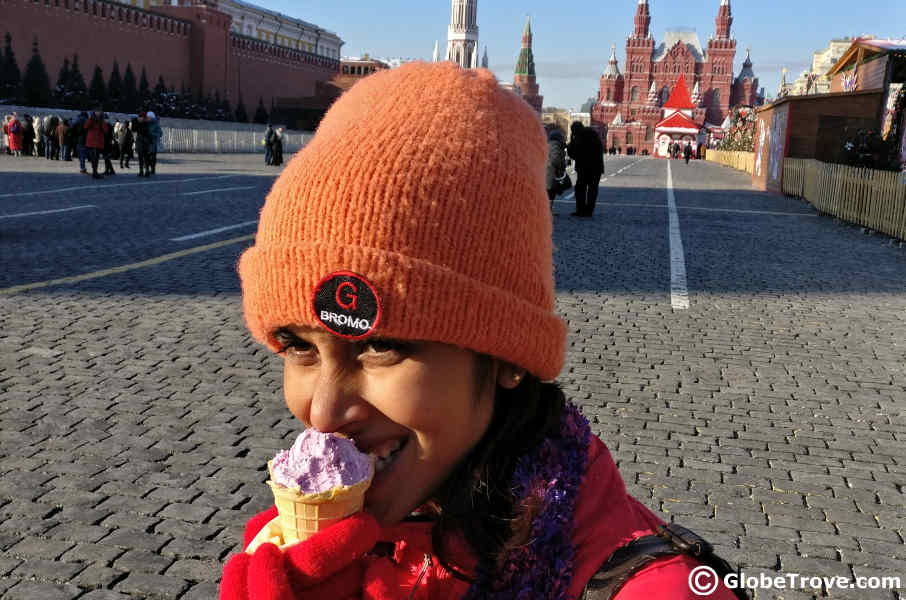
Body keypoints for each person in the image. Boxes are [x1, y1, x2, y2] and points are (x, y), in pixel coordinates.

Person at [220, 62, 743, 600]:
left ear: (507, 357)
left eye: (381, 345)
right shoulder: (315, 556)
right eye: (298, 346)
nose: (323, 414)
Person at [567, 121, 604, 218]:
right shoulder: (594, 135)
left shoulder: (579, 138)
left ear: (575, 130)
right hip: (597, 168)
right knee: (593, 189)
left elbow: (572, 154)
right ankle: (589, 211)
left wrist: (571, 140)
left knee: (580, 189)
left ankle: (580, 210)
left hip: (584, 168)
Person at [545, 127, 567, 209]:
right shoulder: (555, 145)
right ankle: (548, 210)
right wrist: (561, 166)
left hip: (548, 172)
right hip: (551, 173)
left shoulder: (549, 144)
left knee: (549, 193)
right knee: (550, 193)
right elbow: (555, 159)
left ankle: (548, 210)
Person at [84, 109, 108, 179]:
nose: (98, 113)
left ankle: (95, 172)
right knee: (94, 158)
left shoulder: (100, 120)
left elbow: (105, 130)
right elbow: (85, 127)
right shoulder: (91, 119)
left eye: (99, 112)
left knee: (95, 158)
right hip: (93, 141)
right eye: (97, 111)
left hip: (96, 141)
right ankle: (95, 172)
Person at [147, 111, 162, 175]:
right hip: (146, 143)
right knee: (146, 157)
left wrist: (152, 134)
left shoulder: (156, 124)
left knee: (152, 158)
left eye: (150, 117)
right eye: (148, 117)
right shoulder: (145, 123)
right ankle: (147, 169)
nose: (148, 119)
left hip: (153, 144)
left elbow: (160, 133)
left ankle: (153, 169)